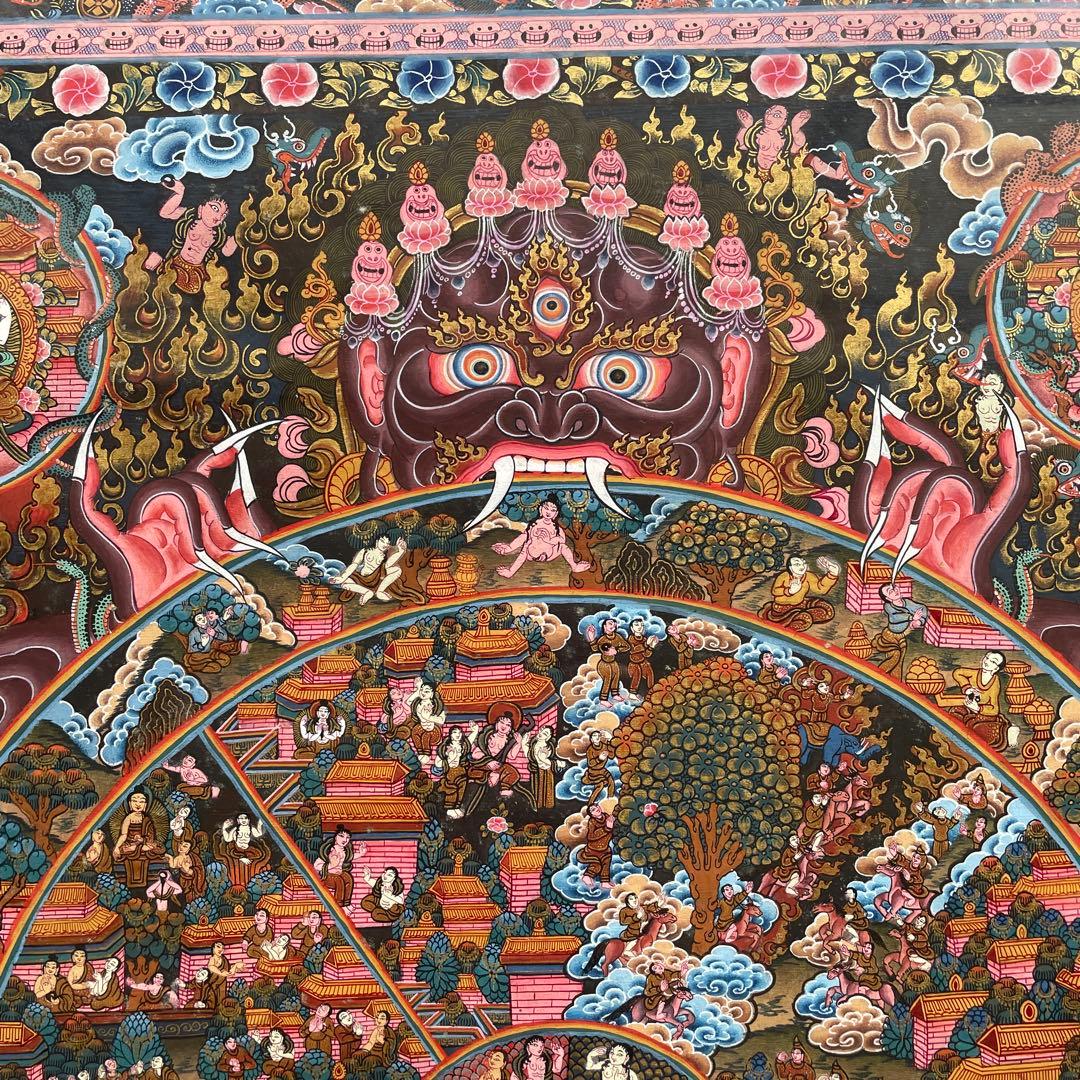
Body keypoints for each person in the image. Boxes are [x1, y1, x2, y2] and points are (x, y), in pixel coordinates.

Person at [144, 179, 237, 295]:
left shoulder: (218, 235)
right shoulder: (189, 217)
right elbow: (165, 213)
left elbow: (227, 251)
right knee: (151, 265)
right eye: (215, 208)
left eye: (223, 215)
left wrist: (239, 233)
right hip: (174, 264)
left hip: (197, 273)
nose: (218, 217)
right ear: (201, 208)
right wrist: (179, 193)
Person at [491, 495, 591, 579]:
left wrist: (549, 540)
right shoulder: (535, 524)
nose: (548, 512)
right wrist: (510, 547)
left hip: (550, 553)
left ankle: (574, 566)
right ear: (540, 509)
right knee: (527, 544)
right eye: (546, 508)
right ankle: (510, 571)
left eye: (552, 510)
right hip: (532, 552)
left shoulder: (556, 527)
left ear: (555, 514)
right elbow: (524, 536)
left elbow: (562, 540)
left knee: (563, 547)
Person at [760, 555, 840, 631]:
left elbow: (820, 589)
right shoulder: (784, 576)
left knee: (828, 610)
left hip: (801, 604)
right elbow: (775, 591)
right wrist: (789, 591)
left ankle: (800, 615)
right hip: (783, 608)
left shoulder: (808, 576)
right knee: (805, 620)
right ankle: (792, 620)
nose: (802, 566)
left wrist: (832, 574)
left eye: (803, 563)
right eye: (797, 564)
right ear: (790, 568)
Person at [329, 533, 406, 604]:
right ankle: (367, 592)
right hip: (360, 578)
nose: (384, 545)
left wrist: (401, 551)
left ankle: (380, 591)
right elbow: (354, 564)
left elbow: (389, 564)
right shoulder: (365, 551)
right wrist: (342, 577)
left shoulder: (384, 556)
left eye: (387, 543)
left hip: (375, 580)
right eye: (382, 541)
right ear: (377, 541)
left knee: (397, 570)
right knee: (345, 583)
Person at [871, 584, 928, 678]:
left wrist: (919, 621)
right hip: (890, 636)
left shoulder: (907, 603)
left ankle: (895, 681)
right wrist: (912, 618)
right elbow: (897, 617)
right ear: (888, 598)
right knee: (895, 656)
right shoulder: (888, 606)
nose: (895, 591)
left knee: (899, 661)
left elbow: (923, 608)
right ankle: (876, 677)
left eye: (894, 587)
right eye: (890, 591)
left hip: (902, 636)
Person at [113, 791, 163, 889]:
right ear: (130, 804)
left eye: (141, 801)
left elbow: (150, 837)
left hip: (144, 844)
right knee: (125, 849)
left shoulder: (147, 820)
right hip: (131, 844)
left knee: (157, 847)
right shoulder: (128, 818)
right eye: (135, 801)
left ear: (145, 805)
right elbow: (123, 835)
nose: (138, 804)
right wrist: (117, 847)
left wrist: (142, 839)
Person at [586, 618, 631, 704]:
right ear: (604, 626)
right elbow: (595, 648)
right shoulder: (602, 639)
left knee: (616, 677)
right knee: (608, 679)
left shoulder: (617, 637)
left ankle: (615, 694)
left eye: (614, 624)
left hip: (613, 662)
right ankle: (603, 699)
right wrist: (591, 637)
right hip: (604, 664)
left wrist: (617, 650)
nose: (613, 625)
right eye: (610, 623)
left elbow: (627, 646)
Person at [431, 726, 470, 820]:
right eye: (455, 732)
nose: (458, 735)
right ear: (450, 735)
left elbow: (470, 740)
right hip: (450, 771)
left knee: (461, 788)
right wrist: (448, 757)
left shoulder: (463, 745)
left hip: (461, 771)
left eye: (459, 732)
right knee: (451, 788)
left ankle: (457, 806)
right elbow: (438, 762)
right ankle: (450, 808)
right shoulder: (446, 747)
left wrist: (475, 730)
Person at [314, 825, 354, 905]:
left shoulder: (345, 850)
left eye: (347, 837)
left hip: (339, 873)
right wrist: (331, 866)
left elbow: (350, 858)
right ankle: (338, 903)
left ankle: (346, 903)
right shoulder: (329, 849)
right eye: (341, 836)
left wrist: (361, 853)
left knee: (348, 878)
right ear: (335, 837)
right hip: (328, 876)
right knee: (339, 881)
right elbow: (316, 865)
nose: (345, 840)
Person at [523, 725, 557, 810]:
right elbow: (529, 755)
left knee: (545, 789)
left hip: (545, 770)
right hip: (535, 770)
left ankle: (547, 808)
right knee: (536, 789)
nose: (541, 733)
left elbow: (543, 760)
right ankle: (537, 806)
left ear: (548, 737)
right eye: (541, 730)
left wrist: (542, 758)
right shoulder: (534, 743)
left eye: (545, 734)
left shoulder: (547, 747)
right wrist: (523, 743)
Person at [581, 802, 615, 884]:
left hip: (605, 848)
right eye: (593, 809)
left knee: (606, 864)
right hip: (594, 849)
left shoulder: (606, 816)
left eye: (597, 806)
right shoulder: (592, 821)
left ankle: (605, 882)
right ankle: (587, 876)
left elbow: (611, 827)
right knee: (596, 865)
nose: (597, 809)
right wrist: (606, 828)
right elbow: (591, 836)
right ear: (591, 814)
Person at [582, 729, 616, 807]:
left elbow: (611, 755)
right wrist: (599, 759)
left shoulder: (604, 746)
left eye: (598, 736)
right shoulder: (590, 749)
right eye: (594, 736)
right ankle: (590, 805)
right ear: (591, 739)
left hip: (602, 770)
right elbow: (590, 763)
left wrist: (609, 740)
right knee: (600, 785)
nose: (597, 737)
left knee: (611, 782)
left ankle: (610, 801)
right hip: (593, 771)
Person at [626, 617, 657, 696]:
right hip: (634, 663)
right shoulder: (630, 639)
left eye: (642, 625)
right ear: (632, 628)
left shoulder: (644, 639)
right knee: (637, 674)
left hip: (643, 662)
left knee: (650, 673)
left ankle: (652, 691)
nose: (640, 627)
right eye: (636, 625)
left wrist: (651, 647)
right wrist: (646, 644)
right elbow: (633, 650)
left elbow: (646, 654)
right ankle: (632, 693)